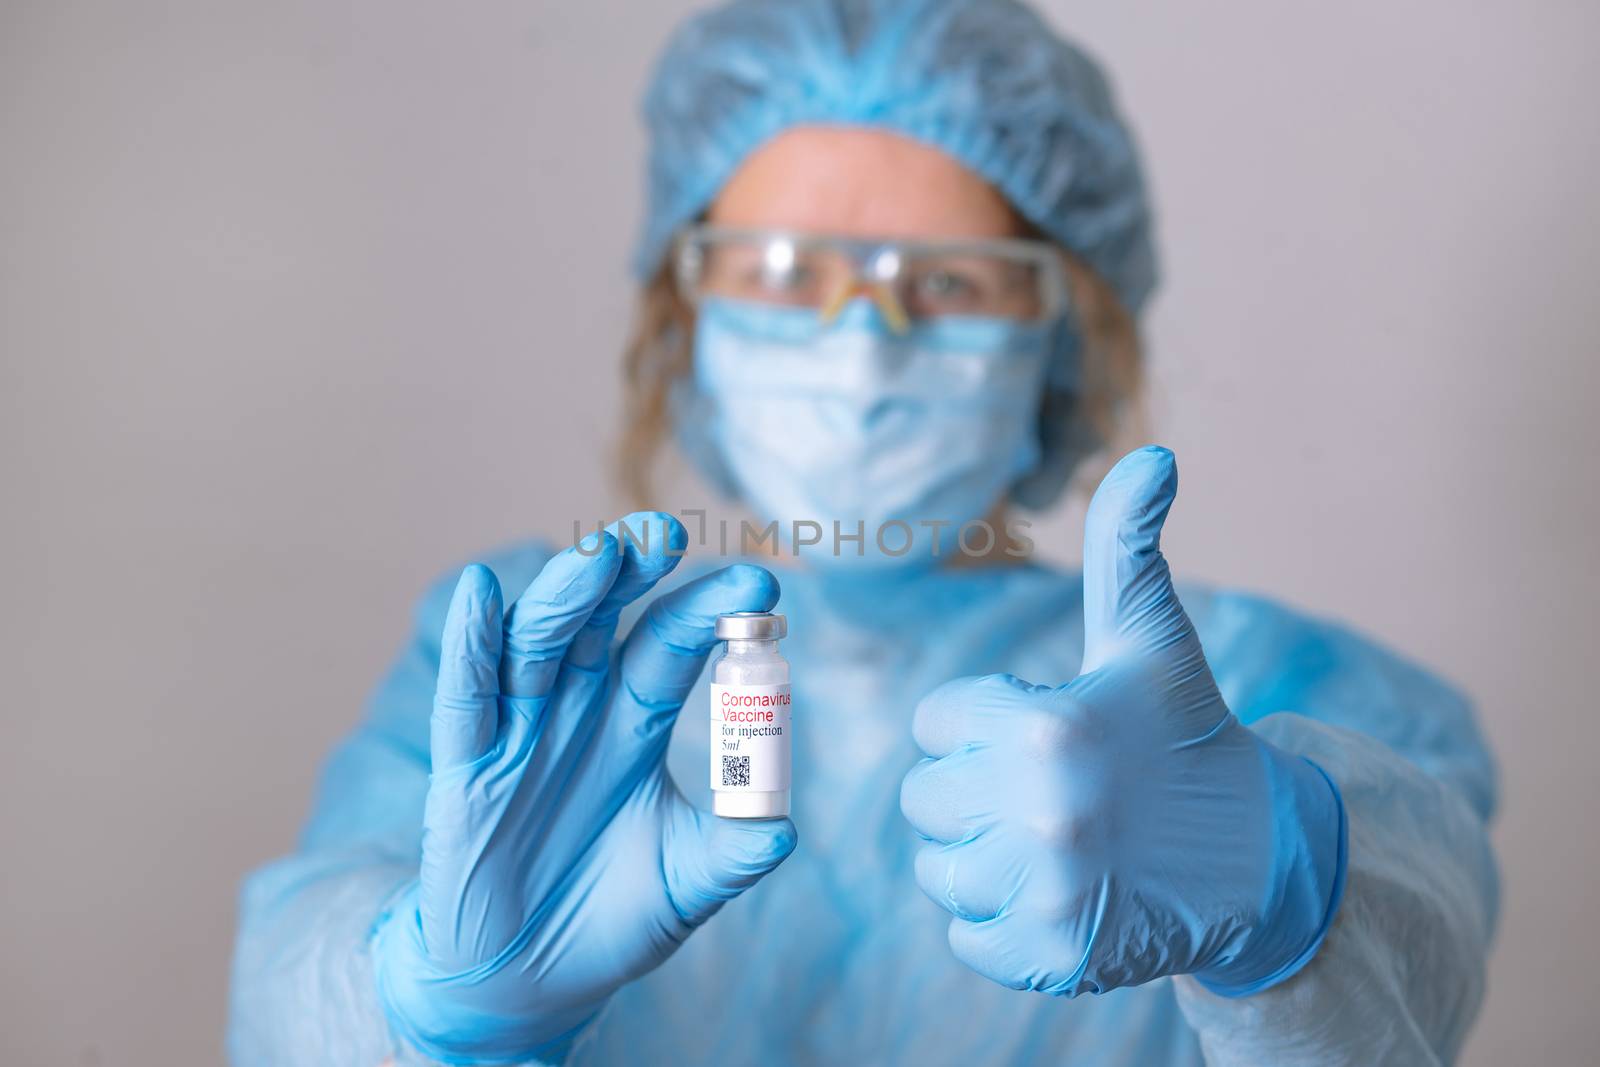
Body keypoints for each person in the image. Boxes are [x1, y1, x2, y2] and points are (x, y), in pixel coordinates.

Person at [227, 1, 1498, 1063]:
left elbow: (1405, 989)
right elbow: (292, 987)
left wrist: (1282, 879)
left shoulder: (1277, 701)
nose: (861, 339)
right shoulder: (530, 660)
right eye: (783, 269)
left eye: (945, 281)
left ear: (1059, 337)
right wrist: (420, 1003)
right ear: (687, 314)